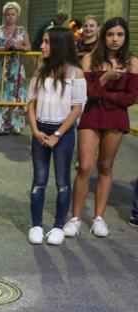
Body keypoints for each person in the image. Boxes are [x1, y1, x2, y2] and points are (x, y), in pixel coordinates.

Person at [64, 17, 138, 238]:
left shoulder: (133, 62)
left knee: (105, 166)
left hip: (116, 118)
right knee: (85, 166)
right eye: (110, 34)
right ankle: (75, 218)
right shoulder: (89, 59)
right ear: (103, 36)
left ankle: (98, 217)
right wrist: (104, 79)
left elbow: (131, 98)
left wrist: (101, 92)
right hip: (92, 115)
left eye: (119, 35)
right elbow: (86, 93)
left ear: (125, 37)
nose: (115, 39)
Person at [26, 27, 85, 245]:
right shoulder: (40, 73)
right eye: (43, 41)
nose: (41, 46)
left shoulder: (75, 74)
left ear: (59, 45)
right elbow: (31, 104)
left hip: (64, 132)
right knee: (39, 180)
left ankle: (59, 226)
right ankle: (36, 225)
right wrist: (35, 131)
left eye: (47, 42)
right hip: (40, 130)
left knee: (62, 181)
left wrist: (58, 134)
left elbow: (77, 108)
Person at [0, 2, 31, 135]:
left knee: (16, 94)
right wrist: (3, 49)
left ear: (17, 16)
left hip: (16, 69)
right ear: (4, 16)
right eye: (7, 14)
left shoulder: (22, 31)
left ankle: (15, 126)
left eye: (13, 14)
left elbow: (28, 47)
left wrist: (18, 47)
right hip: (0, 68)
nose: (10, 17)